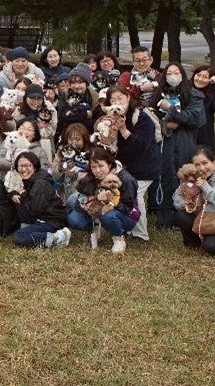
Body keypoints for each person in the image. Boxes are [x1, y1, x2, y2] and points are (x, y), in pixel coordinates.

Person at [106, 85, 159, 242]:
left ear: (128, 98)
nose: (118, 103)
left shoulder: (141, 118)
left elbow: (141, 146)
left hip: (145, 166)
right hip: (125, 166)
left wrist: (123, 130)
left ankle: (141, 234)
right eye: (113, 100)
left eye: (120, 98)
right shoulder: (110, 119)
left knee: (135, 195)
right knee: (123, 194)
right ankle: (126, 226)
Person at [155, 62, 205, 228]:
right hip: (162, 140)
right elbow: (150, 114)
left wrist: (172, 111)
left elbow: (194, 118)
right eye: (169, 72)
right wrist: (165, 124)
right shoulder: (158, 94)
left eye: (177, 72)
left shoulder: (194, 95)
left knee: (182, 173)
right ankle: (161, 210)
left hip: (183, 140)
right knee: (163, 172)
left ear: (183, 75)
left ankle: (184, 209)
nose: (173, 75)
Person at [65, 146, 139, 253]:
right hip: (96, 208)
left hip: (125, 214)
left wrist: (109, 201)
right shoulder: (93, 174)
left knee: (105, 213)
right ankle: (97, 227)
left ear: (109, 164)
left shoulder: (126, 179)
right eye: (93, 167)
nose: (97, 170)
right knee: (72, 204)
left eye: (101, 166)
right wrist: (90, 199)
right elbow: (80, 189)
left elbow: (127, 208)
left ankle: (118, 237)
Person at [10, 152, 71, 249]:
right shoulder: (34, 179)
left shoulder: (39, 184)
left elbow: (35, 210)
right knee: (16, 201)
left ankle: (59, 236)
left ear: (35, 166)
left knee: (19, 236)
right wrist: (15, 194)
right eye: (20, 166)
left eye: (27, 165)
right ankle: (30, 229)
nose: (23, 169)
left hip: (53, 221)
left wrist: (23, 195)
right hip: (43, 217)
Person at [191, 65, 215, 150]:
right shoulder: (185, 91)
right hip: (186, 132)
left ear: (209, 80)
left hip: (204, 134)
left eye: (205, 77)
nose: (200, 79)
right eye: (198, 75)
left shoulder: (210, 96)